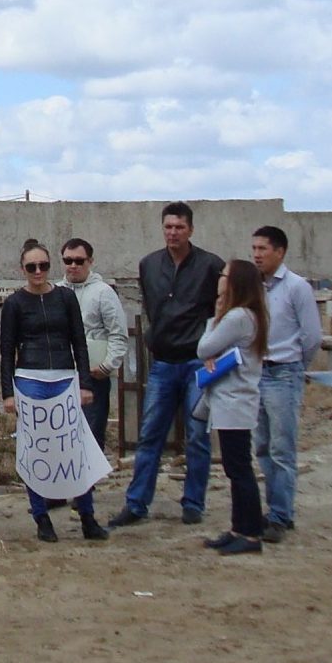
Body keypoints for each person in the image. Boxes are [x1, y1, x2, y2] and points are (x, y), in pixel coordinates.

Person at [109, 202, 225, 530]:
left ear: (190, 229)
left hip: (196, 363)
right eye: (168, 227)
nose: (173, 233)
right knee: (150, 437)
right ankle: (136, 503)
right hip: (162, 363)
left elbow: (221, 308)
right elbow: (150, 307)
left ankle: (193, 503)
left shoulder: (210, 265)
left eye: (179, 227)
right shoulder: (149, 265)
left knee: (197, 436)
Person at [0, 240, 108, 542]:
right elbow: (6, 350)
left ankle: (87, 515)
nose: (38, 271)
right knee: (36, 449)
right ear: (22, 269)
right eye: (31, 267)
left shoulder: (65, 298)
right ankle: (41, 516)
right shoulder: (14, 304)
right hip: (30, 379)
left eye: (43, 265)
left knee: (76, 448)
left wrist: (84, 382)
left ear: (50, 267)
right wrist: (8, 392)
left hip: (64, 377)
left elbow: (79, 342)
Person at [251, 225, 322, 543]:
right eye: (254, 249)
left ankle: (281, 515)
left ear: (279, 252)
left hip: (284, 372)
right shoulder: (255, 287)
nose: (256, 255)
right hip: (258, 371)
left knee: (282, 447)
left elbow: (311, 337)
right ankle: (275, 510)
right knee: (263, 445)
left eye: (262, 249)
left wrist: (295, 366)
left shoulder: (297, 288)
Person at [198, 260, 269, 556]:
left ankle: (250, 533)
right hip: (235, 400)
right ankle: (239, 527)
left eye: (224, 275)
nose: (219, 279)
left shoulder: (238, 316)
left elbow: (204, 347)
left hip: (234, 402)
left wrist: (213, 318)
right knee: (235, 467)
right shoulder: (250, 315)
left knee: (239, 469)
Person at [57, 237, 128, 451]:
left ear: (91, 262)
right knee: (63, 437)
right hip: (62, 374)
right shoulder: (56, 291)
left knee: (91, 437)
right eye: (68, 260)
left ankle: (90, 484)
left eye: (79, 261)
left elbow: (118, 333)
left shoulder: (103, 292)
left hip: (94, 376)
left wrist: (107, 365)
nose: (73, 266)